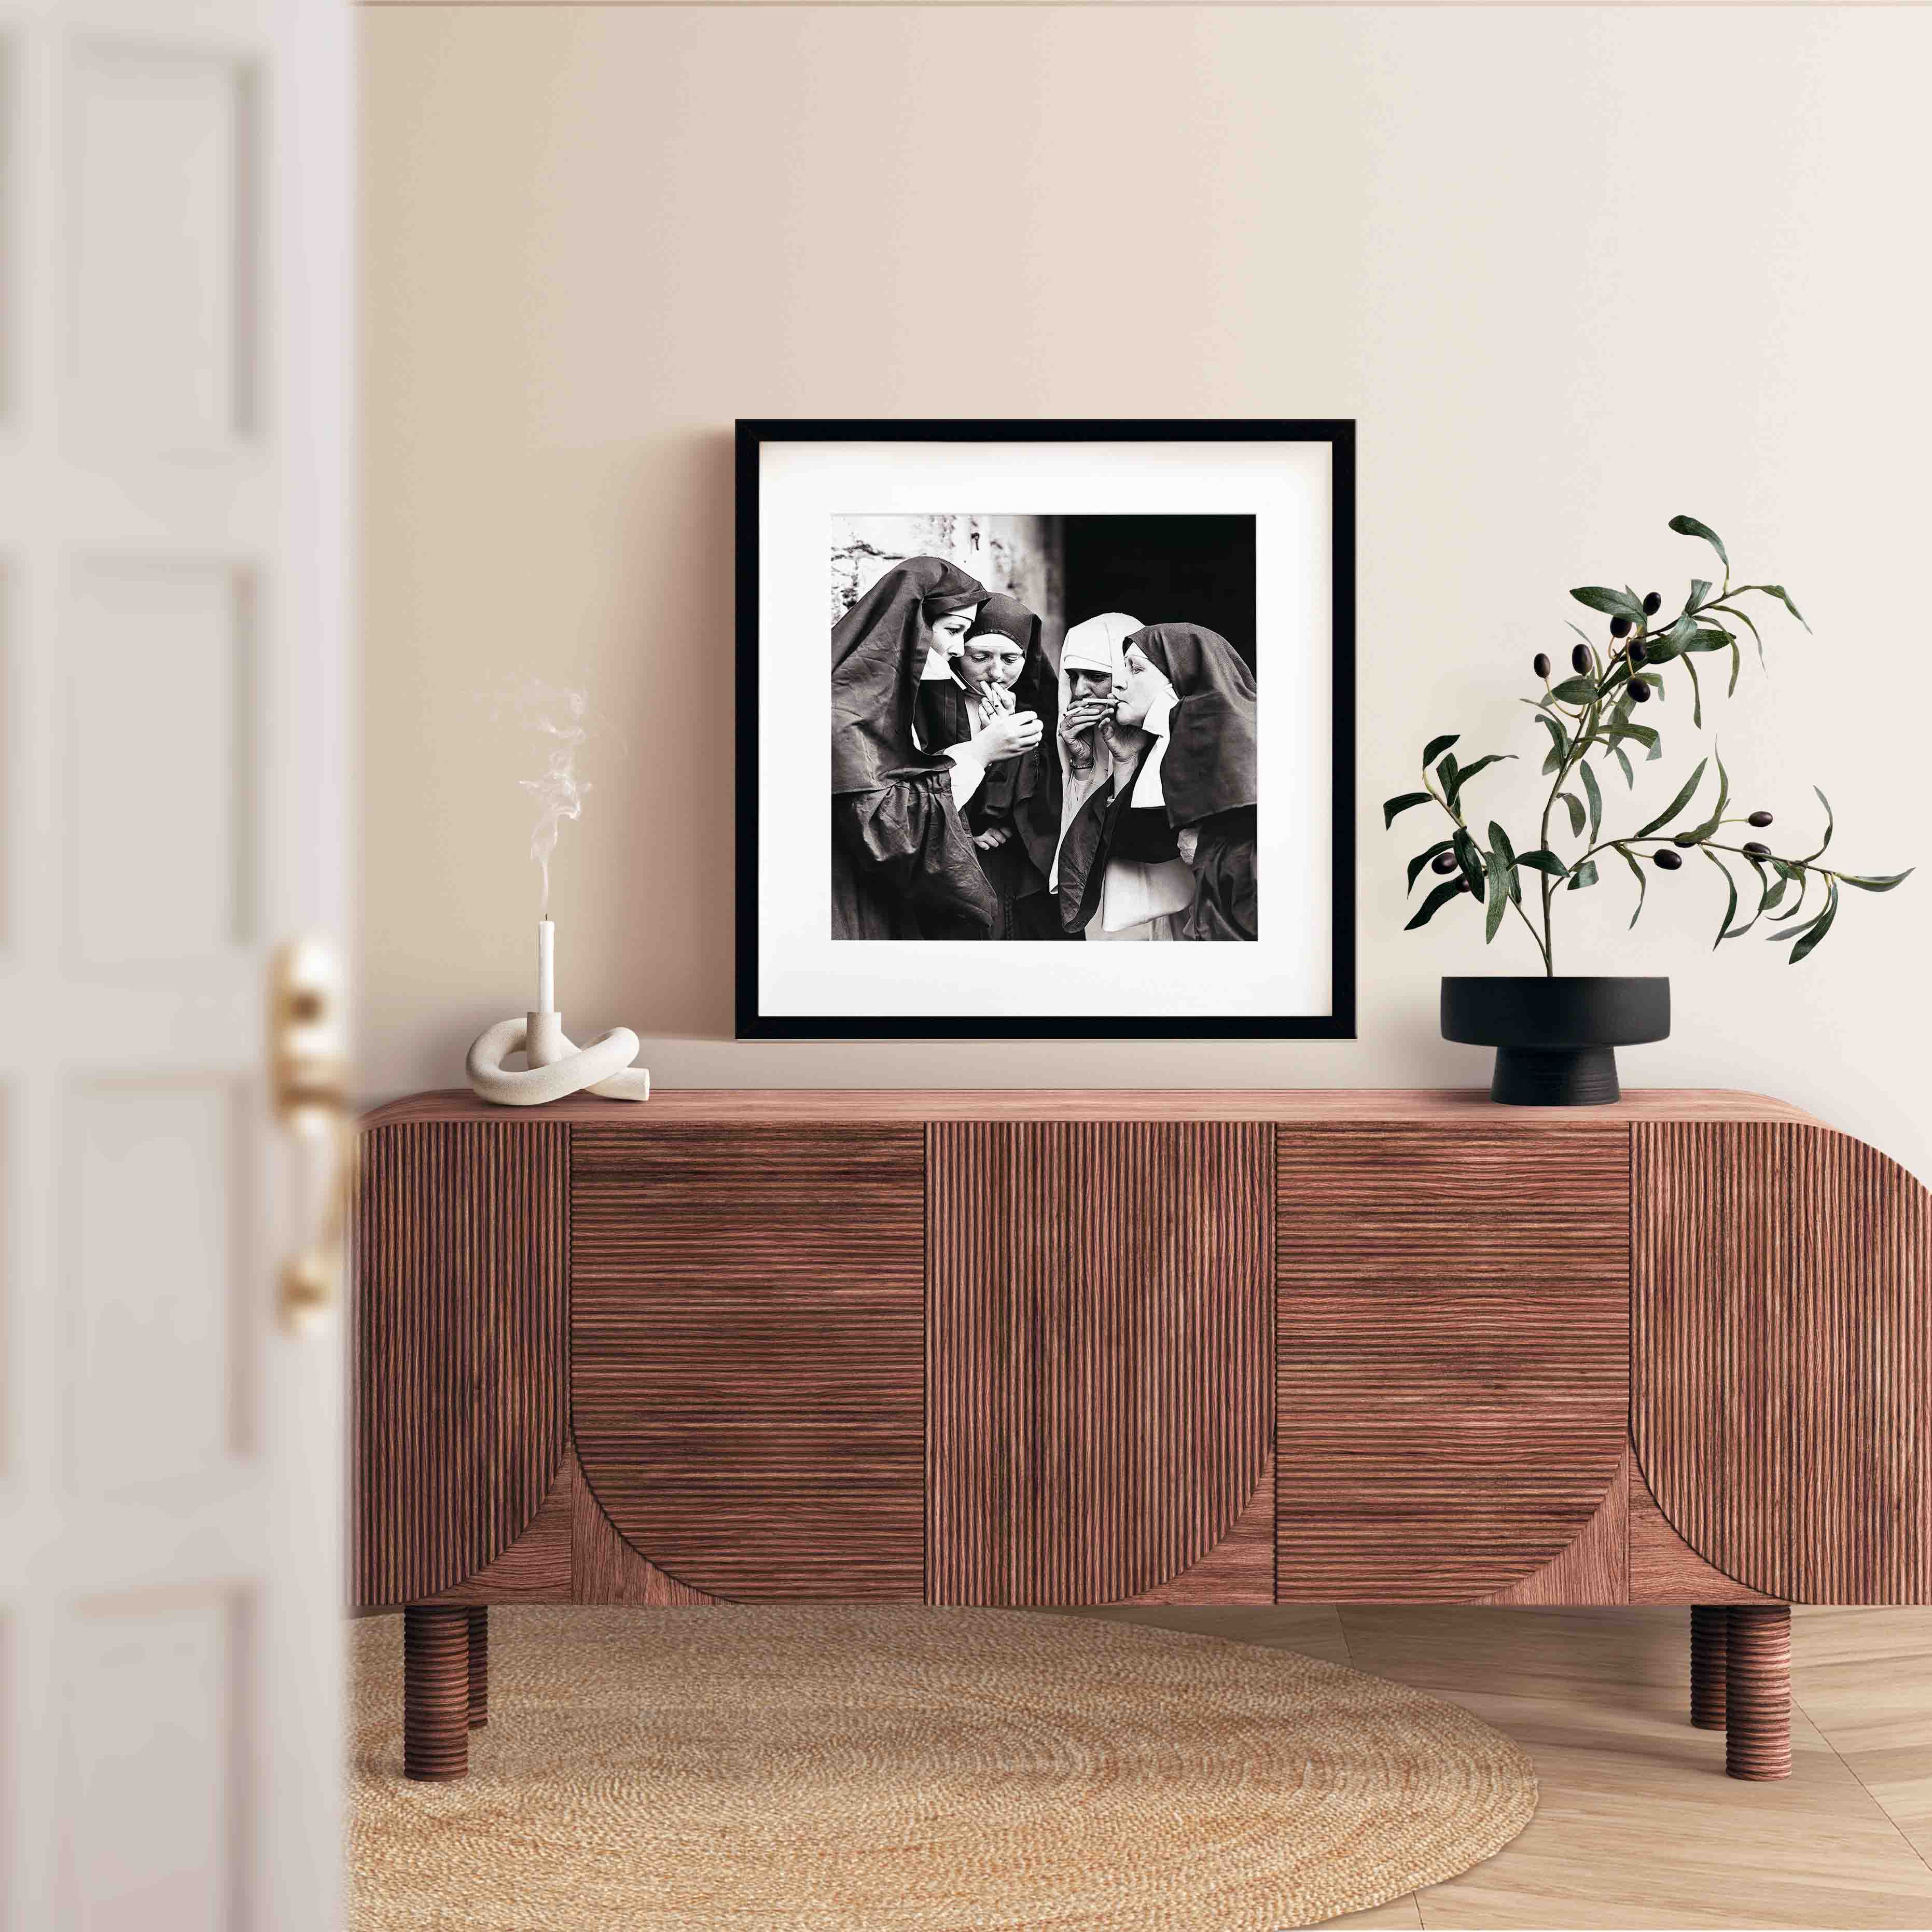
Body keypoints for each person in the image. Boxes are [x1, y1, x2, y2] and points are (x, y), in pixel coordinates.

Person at [830, 557, 1041, 939]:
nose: (957, 649)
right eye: (954, 631)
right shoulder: (847, 709)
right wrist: (979, 753)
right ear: (914, 623)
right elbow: (888, 828)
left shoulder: (885, 696)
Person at [912, 592, 1063, 939]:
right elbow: (915, 776)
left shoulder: (1037, 704)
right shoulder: (928, 701)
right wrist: (969, 827)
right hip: (954, 853)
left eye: (1011, 658)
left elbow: (1051, 786)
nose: (996, 672)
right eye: (980, 656)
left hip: (1023, 859)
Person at [1051, 613, 1193, 941]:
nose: (1079, 690)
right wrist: (1082, 762)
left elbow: (1147, 837)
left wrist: (1126, 760)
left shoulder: (1176, 734)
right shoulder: (1069, 733)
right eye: (1073, 676)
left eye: (1096, 676)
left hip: (1167, 901)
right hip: (1102, 911)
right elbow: (1076, 839)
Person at [1114, 623, 1258, 940]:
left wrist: (1208, 852)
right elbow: (1139, 845)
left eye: (1135, 669)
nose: (1118, 684)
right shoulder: (1164, 739)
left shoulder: (1231, 733)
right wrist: (1124, 762)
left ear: (1182, 675)